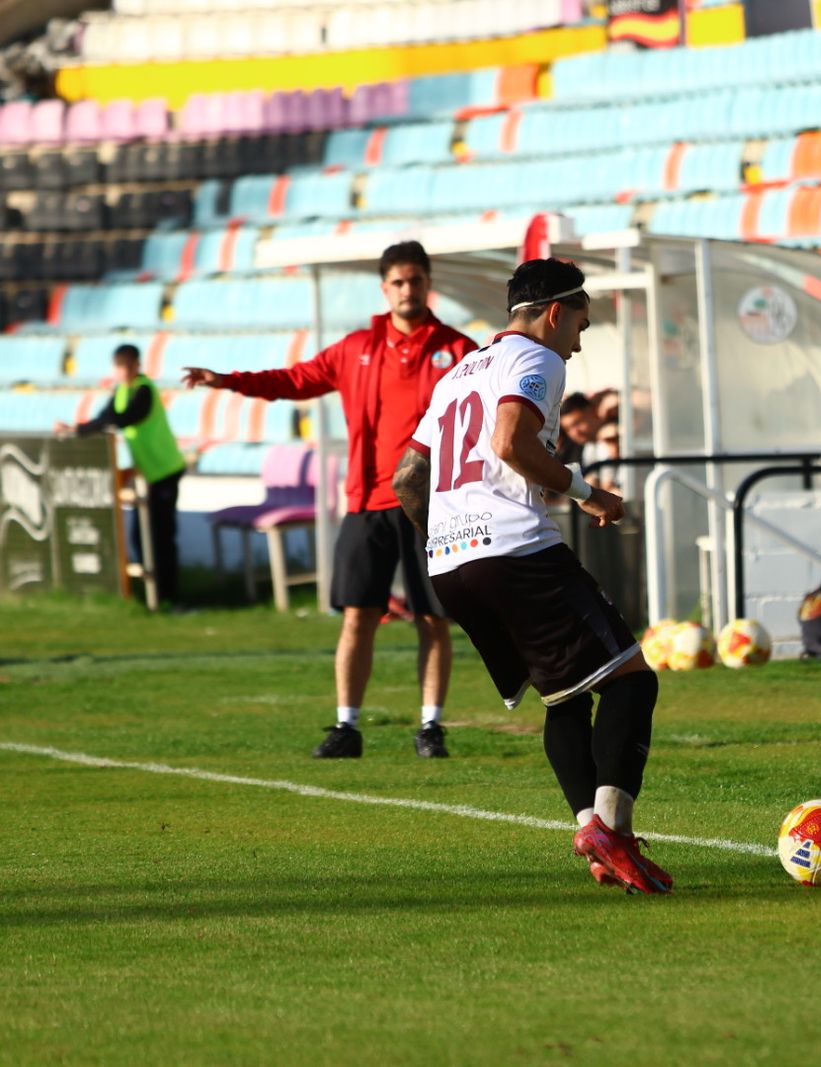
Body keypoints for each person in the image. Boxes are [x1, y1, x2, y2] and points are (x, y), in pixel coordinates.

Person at [392, 258, 671, 895]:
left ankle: (597, 840)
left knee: (564, 698)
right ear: (554, 312)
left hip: (451, 565)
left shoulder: (458, 372)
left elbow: (407, 479)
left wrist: (448, 540)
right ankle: (613, 831)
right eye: (581, 322)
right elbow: (511, 443)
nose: (579, 338)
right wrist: (586, 491)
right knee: (632, 683)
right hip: (513, 551)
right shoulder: (541, 360)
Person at [181, 241, 478, 759]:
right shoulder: (355, 348)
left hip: (431, 507)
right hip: (366, 503)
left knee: (432, 618)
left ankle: (431, 727)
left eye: (417, 280)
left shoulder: (457, 352)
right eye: (399, 282)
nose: (408, 290)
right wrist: (227, 380)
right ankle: (347, 727)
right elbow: (295, 381)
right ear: (384, 289)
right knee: (357, 615)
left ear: (429, 284)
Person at [56, 344, 186, 606]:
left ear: (137, 366)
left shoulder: (144, 391)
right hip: (148, 474)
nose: (124, 372)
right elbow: (106, 416)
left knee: (162, 536)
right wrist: (78, 429)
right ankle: (153, 596)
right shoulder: (122, 391)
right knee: (142, 536)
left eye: (128, 366)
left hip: (165, 471)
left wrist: (81, 430)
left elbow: (121, 418)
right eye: (120, 367)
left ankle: (170, 597)